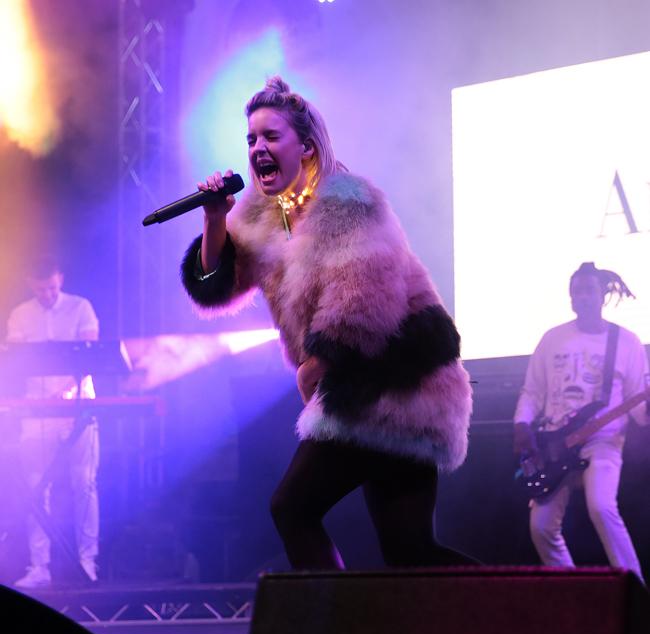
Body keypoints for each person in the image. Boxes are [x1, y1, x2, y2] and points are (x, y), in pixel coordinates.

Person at [180, 77, 474, 569]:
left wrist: (314, 367)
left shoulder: (350, 202)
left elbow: (364, 303)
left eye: (271, 136)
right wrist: (214, 219)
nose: (257, 148)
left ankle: (331, 615)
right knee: (411, 552)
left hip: (401, 383)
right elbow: (217, 283)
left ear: (307, 147)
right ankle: (532, 606)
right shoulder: (260, 213)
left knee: (293, 508)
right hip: (360, 387)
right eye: (251, 139)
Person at [514, 262, 649, 581]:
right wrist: (522, 424)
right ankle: (571, 589)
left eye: (589, 290)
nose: (582, 297)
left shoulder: (626, 342)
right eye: (576, 291)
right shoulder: (552, 339)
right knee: (541, 527)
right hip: (556, 444)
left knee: (601, 507)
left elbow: (639, 408)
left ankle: (635, 589)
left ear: (603, 294)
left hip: (603, 442)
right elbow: (532, 391)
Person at [6, 256, 100, 588]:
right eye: (41, 289)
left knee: (84, 484)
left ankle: (87, 562)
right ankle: (39, 566)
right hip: (37, 409)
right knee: (36, 486)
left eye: (52, 288)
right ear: (30, 284)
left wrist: (68, 391)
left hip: (78, 407)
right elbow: (17, 362)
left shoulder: (80, 308)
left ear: (60, 278)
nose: (47, 294)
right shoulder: (20, 315)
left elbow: (91, 356)